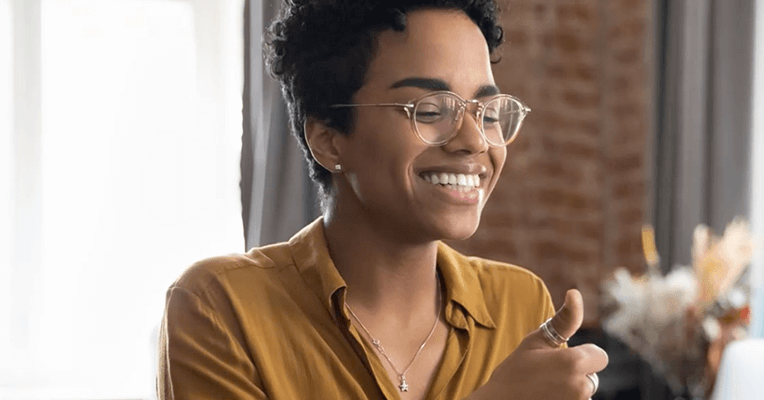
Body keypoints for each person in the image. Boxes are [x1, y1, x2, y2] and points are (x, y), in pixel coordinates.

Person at [156, 1, 609, 399]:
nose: (475, 140)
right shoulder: (220, 308)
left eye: (487, 113)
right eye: (430, 111)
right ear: (329, 140)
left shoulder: (520, 303)